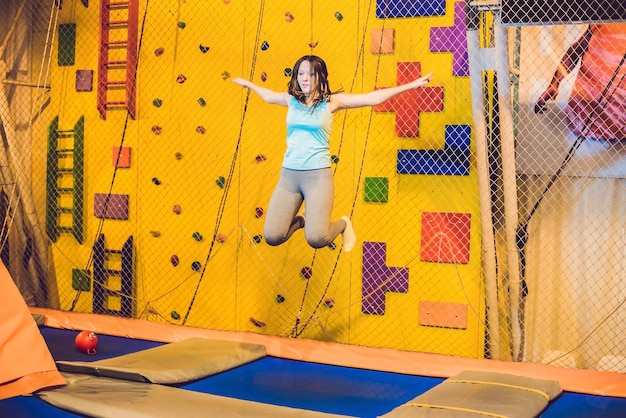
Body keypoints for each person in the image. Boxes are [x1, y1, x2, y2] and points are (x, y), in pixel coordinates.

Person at [233, 55, 432, 252]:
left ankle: (344, 224)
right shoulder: (291, 100)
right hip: (289, 177)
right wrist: (249, 84)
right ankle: (303, 219)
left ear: (321, 76)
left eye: (310, 74)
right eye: (300, 73)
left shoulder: (331, 102)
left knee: (318, 238)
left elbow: (372, 98)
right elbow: (268, 96)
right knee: (273, 236)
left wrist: (411, 85)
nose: (304, 78)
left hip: (317, 178)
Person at [534, 23, 626, 141]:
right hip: (579, 124)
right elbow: (576, 51)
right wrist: (554, 84)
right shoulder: (605, 15)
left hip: (619, 135)